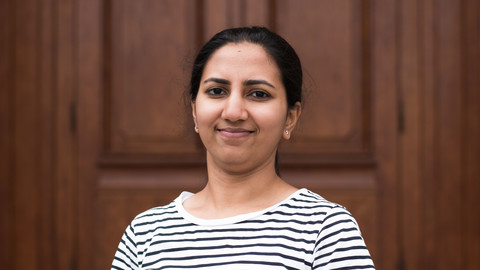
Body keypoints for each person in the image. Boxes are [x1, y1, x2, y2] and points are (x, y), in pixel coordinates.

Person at [112, 26, 375, 269]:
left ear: (290, 117)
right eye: (216, 91)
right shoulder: (144, 233)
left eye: (258, 94)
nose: (234, 112)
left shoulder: (325, 229)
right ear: (194, 111)